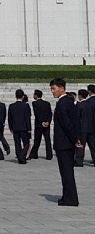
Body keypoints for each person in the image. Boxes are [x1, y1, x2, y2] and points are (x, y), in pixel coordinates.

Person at [50, 78, 82, 207]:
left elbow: (66, 123)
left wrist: (75, 139)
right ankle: (67, 196)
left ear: (62, 88)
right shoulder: (70, 101)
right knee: (67, 171)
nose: (52, 91)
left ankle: (71, 199)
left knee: (66, 171)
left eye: (54, 88)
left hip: (64, 142)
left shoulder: (62, 103)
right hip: (68, 142)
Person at [8, 89, 32, 164]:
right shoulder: (25, 105)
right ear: (22, 96)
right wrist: (29, 128)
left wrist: (11, 127)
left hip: (15, 127)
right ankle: (22, 156)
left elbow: (10, 118)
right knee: (26, 143)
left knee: (17, 143)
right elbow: (27, 117)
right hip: (24, 127)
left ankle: (19, 157)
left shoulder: (11, 106)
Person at [28, 89, 53, 160]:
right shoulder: (47, 103)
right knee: (47, 140)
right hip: (47, 125)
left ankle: (34, 153)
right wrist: (48, 122)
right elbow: (50, 113)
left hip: (39, 124)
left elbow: (37, 114)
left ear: (36, 95)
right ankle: (49, 155)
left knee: (37, 140)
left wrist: (42, 122)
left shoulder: (34, 103)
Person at [74, 89, 92, 167]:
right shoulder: (90, 104)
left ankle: (79, 161)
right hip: (91, 127)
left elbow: (77, 118)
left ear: (80, 96)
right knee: (92, 145)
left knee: (81, 145)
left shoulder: (79, 105)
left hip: (82, 128)